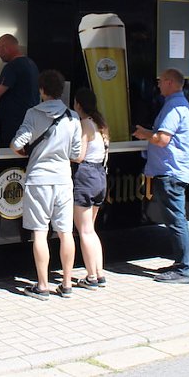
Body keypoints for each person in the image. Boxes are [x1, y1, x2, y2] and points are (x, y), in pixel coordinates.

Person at [12, 69, 82, 299]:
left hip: (38, 180)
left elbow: (17, 143)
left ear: (41, 90)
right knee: (65, 233)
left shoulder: (33, 113)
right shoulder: (73, 117)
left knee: (40, 233)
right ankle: (67, 284)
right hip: (63, 180)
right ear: (61, 90)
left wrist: (25, 151)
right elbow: (76, 154)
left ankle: (42, 286)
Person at [133, 68, 189, 284]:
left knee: (176, 220)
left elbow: (162, 139)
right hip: (171, 170)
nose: (158, 85)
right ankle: (180, 263)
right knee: (175, 219)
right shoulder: (177, 104)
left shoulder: (174, 107)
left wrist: (144, 134)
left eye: (160, 81)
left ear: (169, 82)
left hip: (171, 171)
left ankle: (183, 269)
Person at [72, 87, 109, 290]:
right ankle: (99, 272)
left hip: (85, 175)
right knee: (91, 229)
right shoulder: (100, 123)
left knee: (84, 231)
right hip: (100, 176)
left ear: (78, 104)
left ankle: (91, 276)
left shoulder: (85, 124)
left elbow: (79, 156)